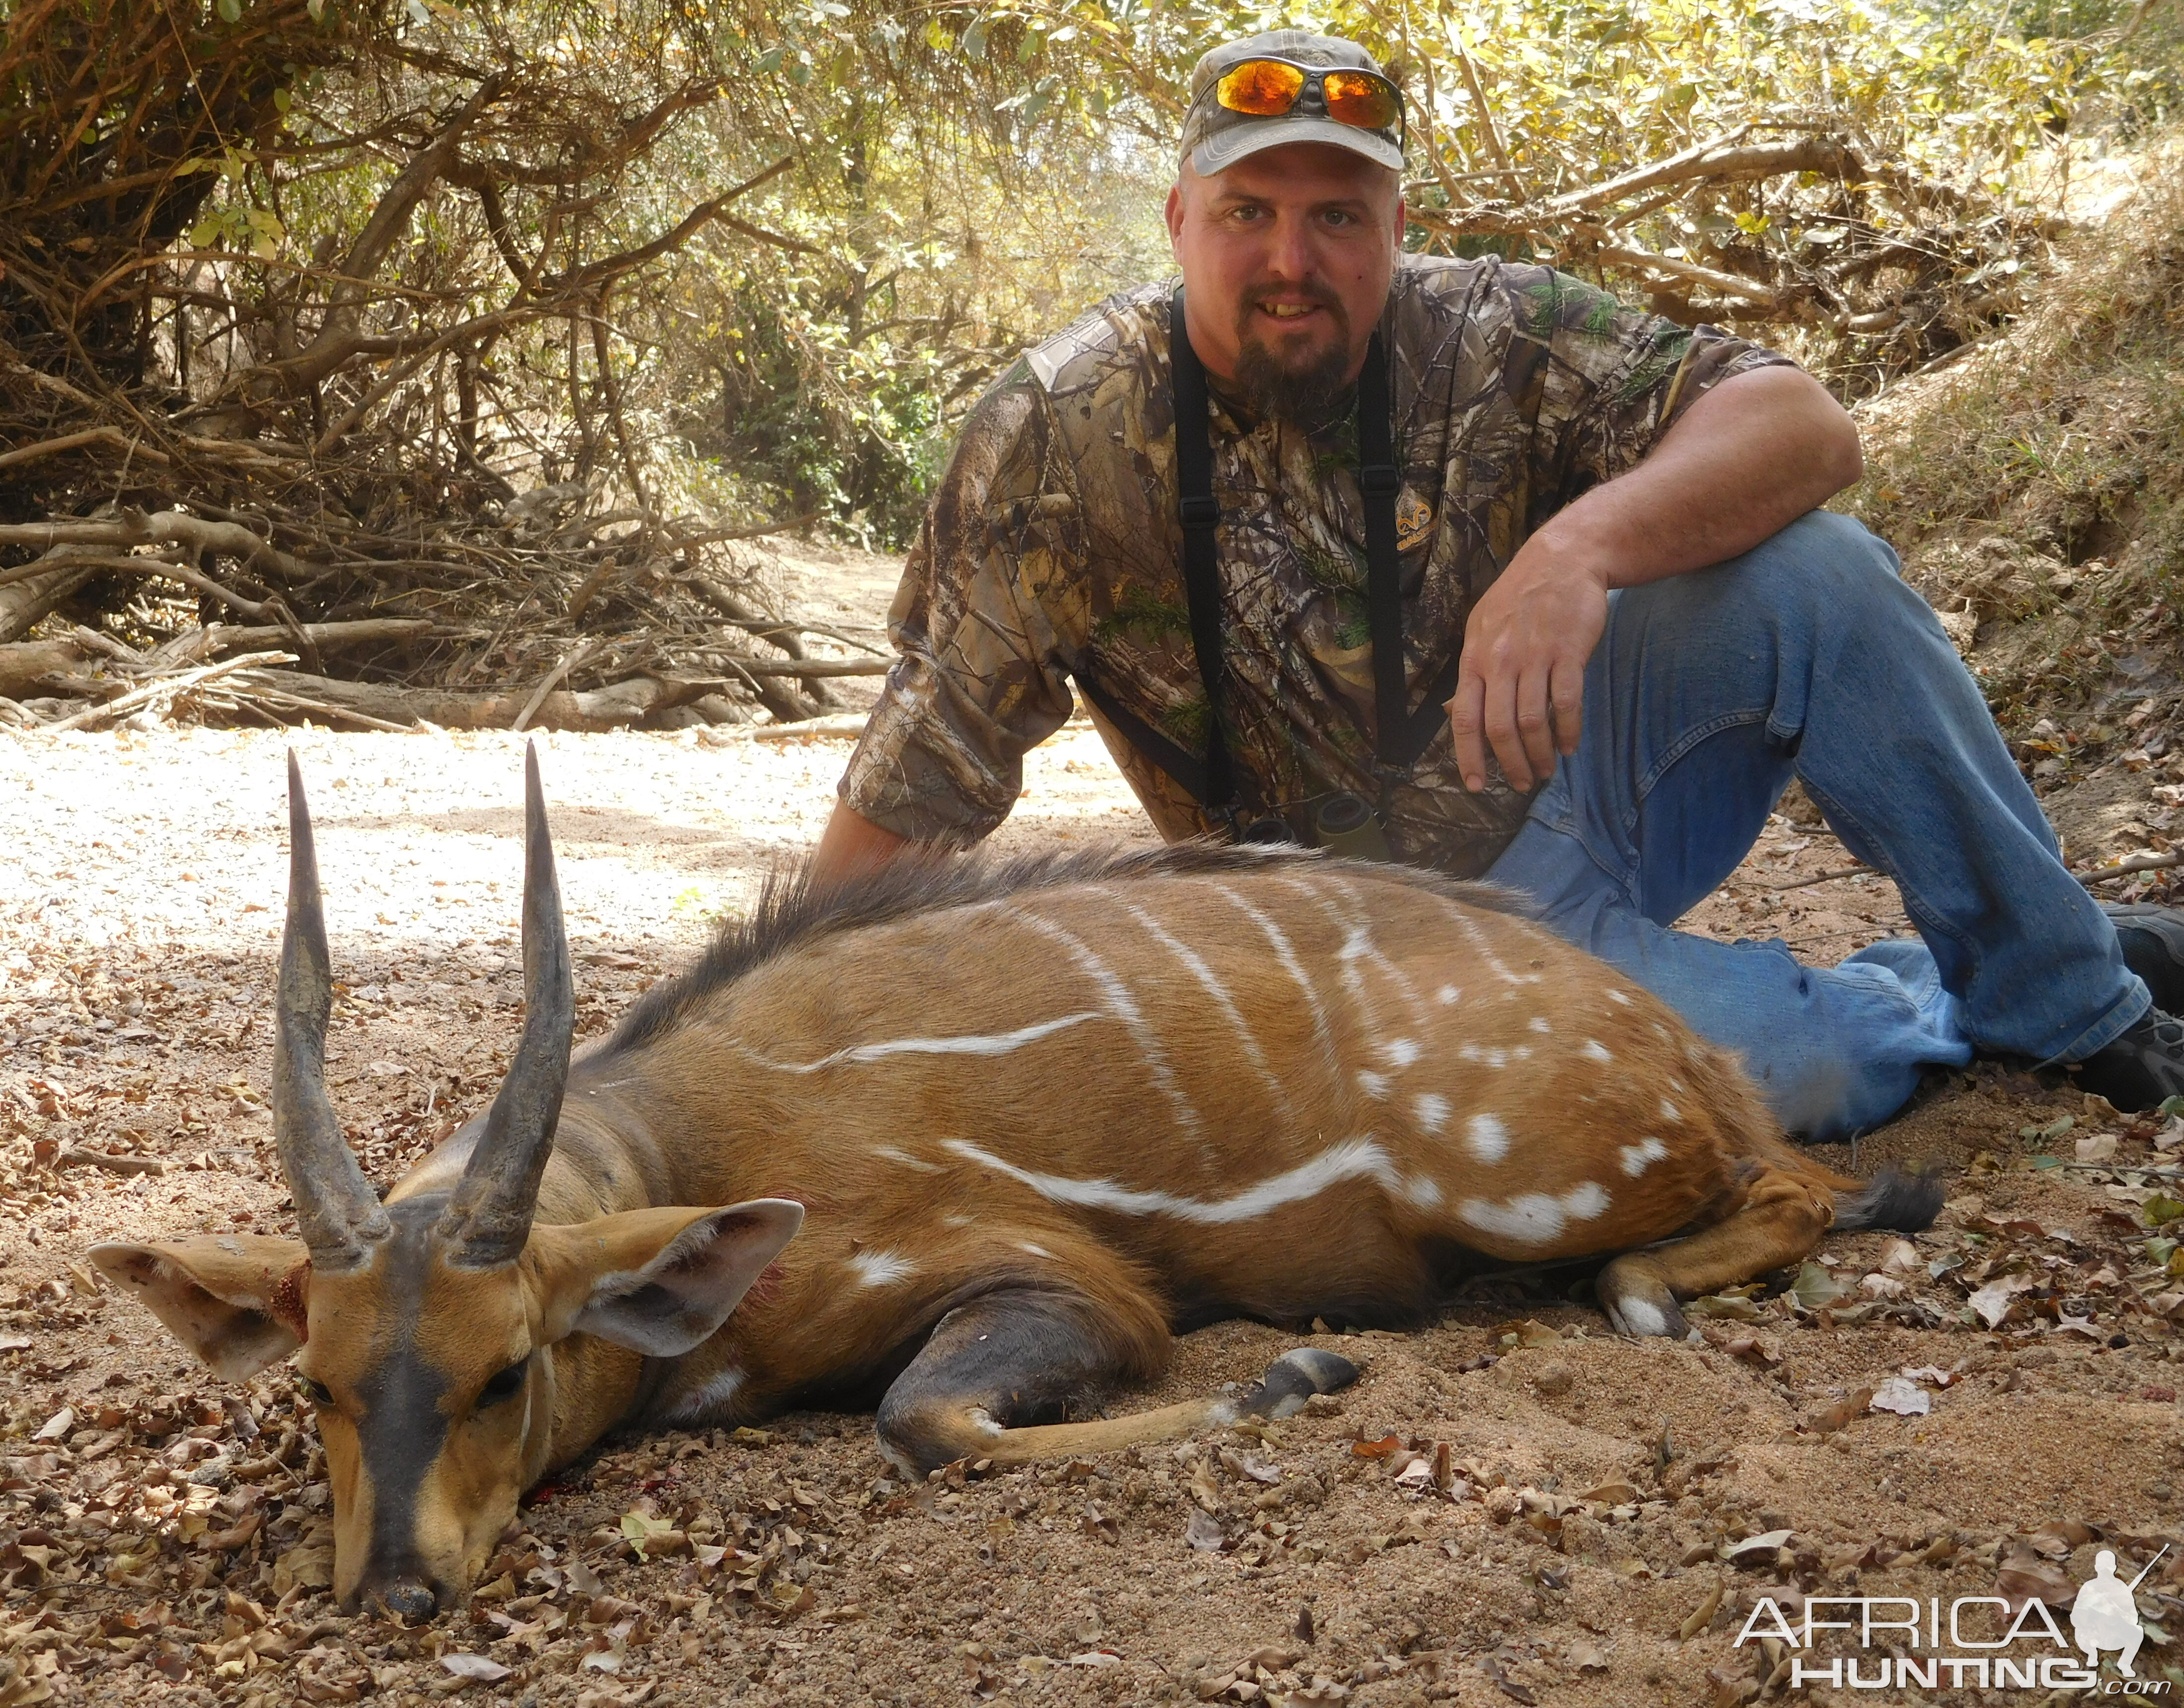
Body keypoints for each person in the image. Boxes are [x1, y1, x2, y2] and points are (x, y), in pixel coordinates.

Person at [808, 28, 2184, 1138]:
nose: (1293, 260)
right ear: (1177, 221)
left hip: (1584, 799)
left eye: (1337, 214)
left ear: (1397, 226)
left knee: (1821, 569)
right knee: (1810, 1081)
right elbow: (921, 774)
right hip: (1354, 964)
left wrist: (1580, 548)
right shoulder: (1052, 431)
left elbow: (1805, 428)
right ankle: (1933, 985)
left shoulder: (1501, 329)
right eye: (1249, 212)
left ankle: (2069, 998)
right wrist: (787, 1043)